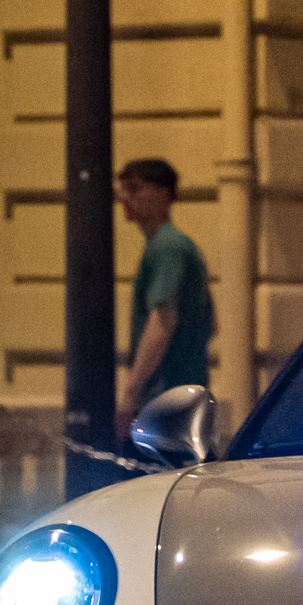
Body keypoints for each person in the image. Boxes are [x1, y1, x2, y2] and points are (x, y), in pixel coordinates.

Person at [116, 158, 216, 432]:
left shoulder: (167, 247)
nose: (124, 198)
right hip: (182, 397)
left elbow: (162, 322)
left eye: (134, 188)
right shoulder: (174, 246)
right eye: (123, 189)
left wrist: (131, 392)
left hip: (166, 398)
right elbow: (209, 324)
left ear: (163, 193)